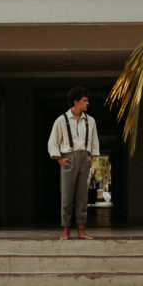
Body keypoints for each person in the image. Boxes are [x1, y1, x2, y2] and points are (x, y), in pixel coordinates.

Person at [48, 86, 100, 240]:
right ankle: (65, 231)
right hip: (68, 158)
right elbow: (53, 142)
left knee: (82, 196)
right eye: (85, 100)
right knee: (67, 196)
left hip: (84, 158)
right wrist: (59, 159)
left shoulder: (90, 121)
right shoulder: (61, 120)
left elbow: (95, 141)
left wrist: (92, 158)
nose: (87, 103)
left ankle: (81, 230)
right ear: (76, 102)